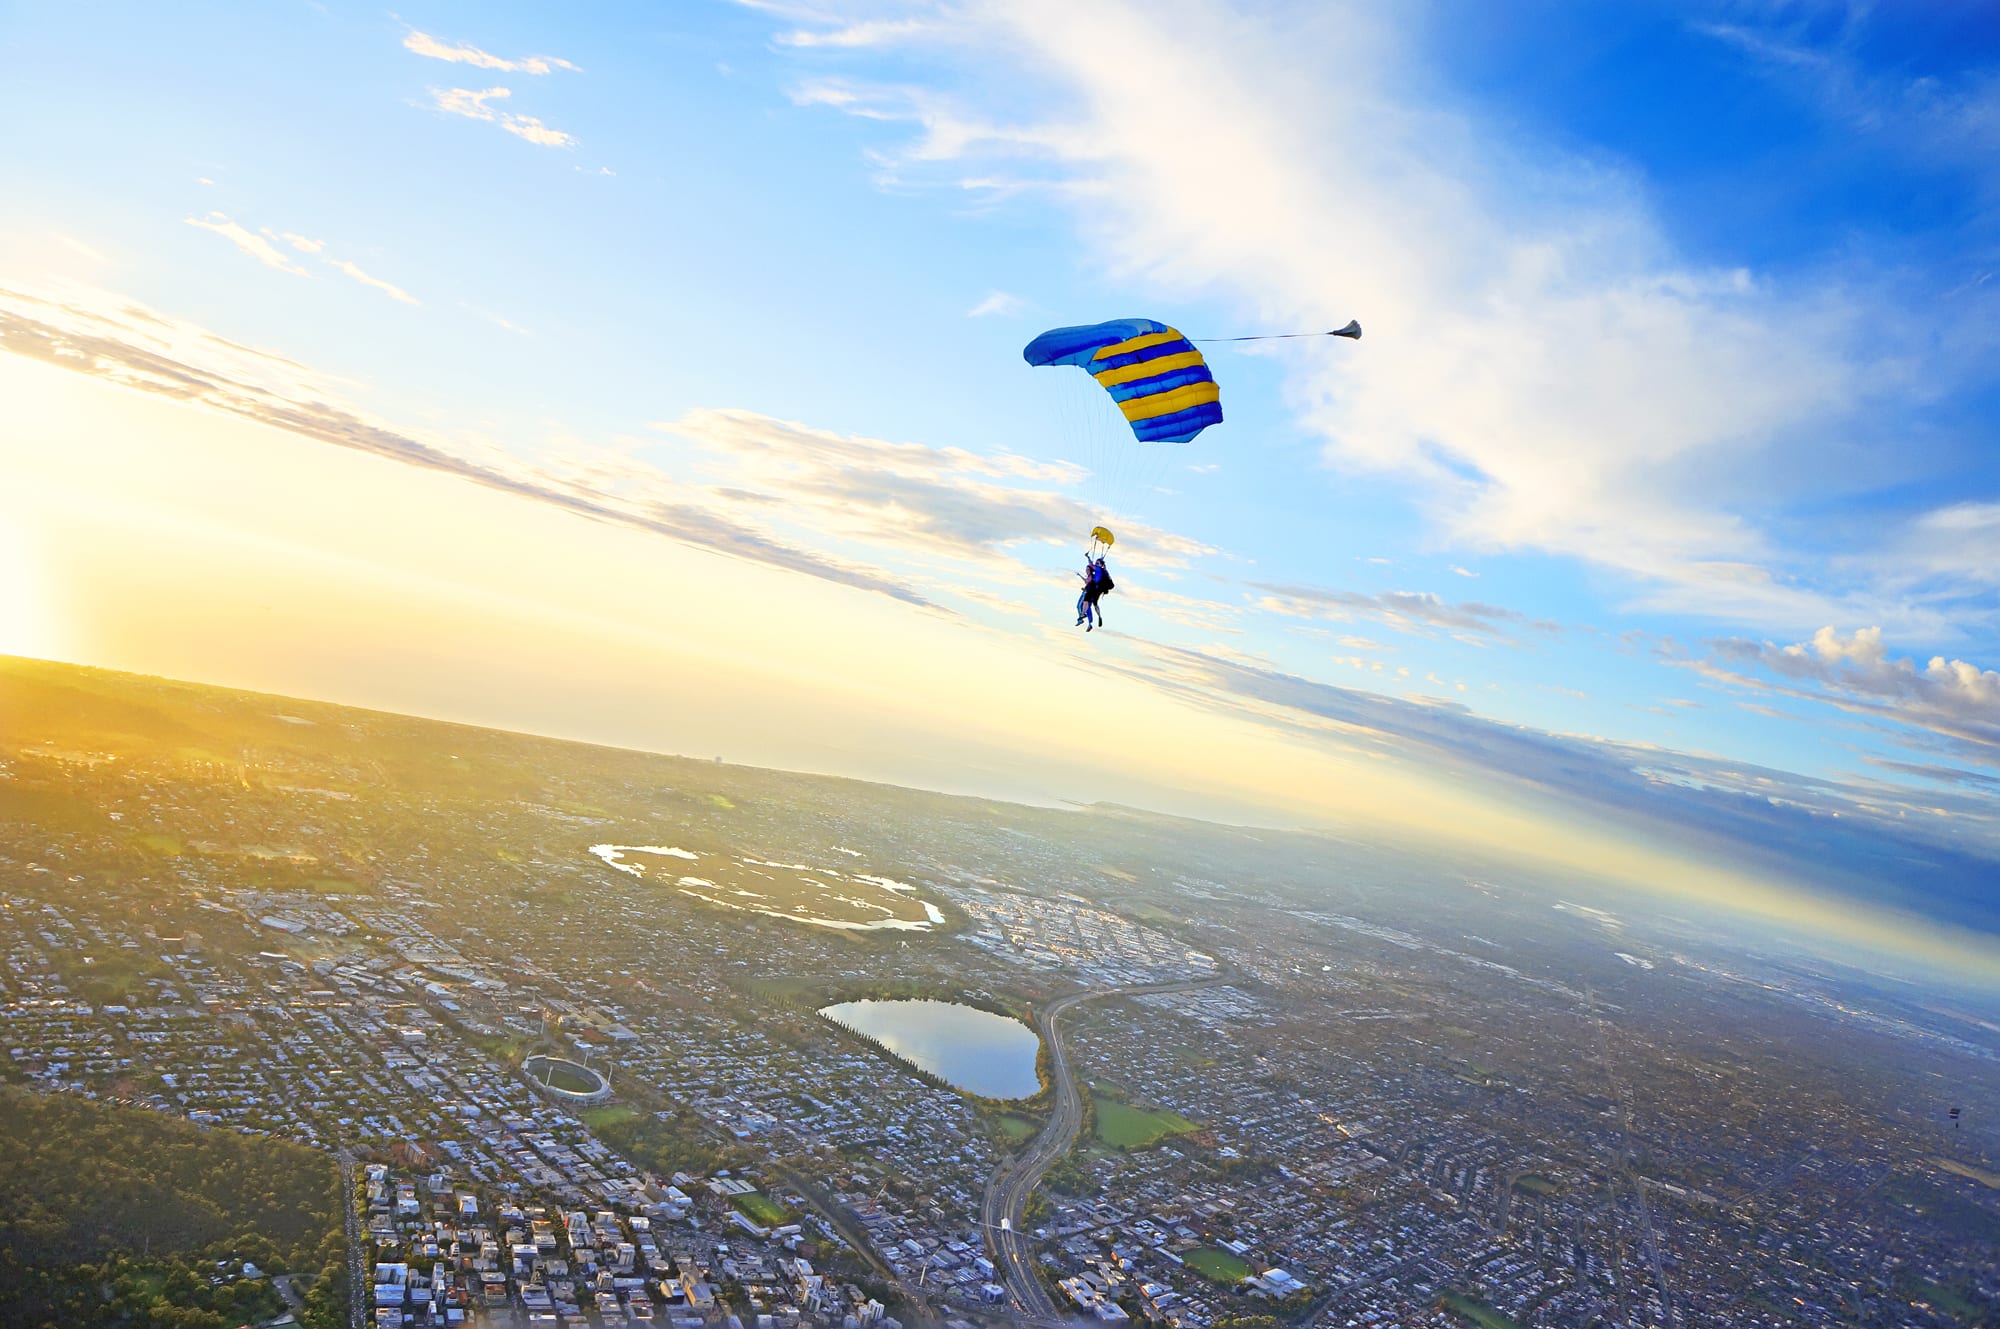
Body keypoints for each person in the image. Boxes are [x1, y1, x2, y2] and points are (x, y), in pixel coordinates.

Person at [1075, 555, 1114, 631]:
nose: (1096, 564)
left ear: (1100, 565)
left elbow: (1091, 565)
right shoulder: (1104, 570)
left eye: (1097, 563)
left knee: (1086, 601)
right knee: (1094, 604)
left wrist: (1088, 557)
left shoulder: (1098, 569)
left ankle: (1083, 614)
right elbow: (1098, 565)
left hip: (1093, 588)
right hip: (1097, 589)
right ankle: (1099, 615)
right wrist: (1101, 560)